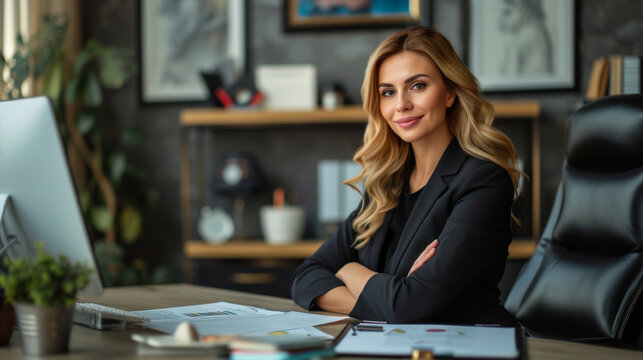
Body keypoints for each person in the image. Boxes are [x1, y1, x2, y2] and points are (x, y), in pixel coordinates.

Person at [291, 26, 523, 326]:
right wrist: (389, 300)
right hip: (397, 344)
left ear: (450, 92)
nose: (401, 104)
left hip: (467, 346)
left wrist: (349, 270)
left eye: (417, 86)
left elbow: (410, 307)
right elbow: (305, 276)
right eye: (388, 92)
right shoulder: (388, 184)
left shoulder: (484, 181)